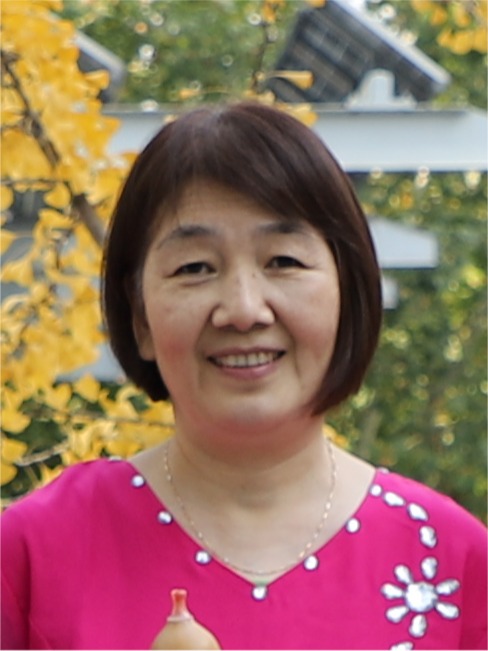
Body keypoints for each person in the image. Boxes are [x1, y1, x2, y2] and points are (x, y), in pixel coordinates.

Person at [1, 101, 486, 651]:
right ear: (140, 320)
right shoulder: (34, 553)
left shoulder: (456, 561)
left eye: (283, 261)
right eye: (195, 268)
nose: (244, 309)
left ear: (346, 294)